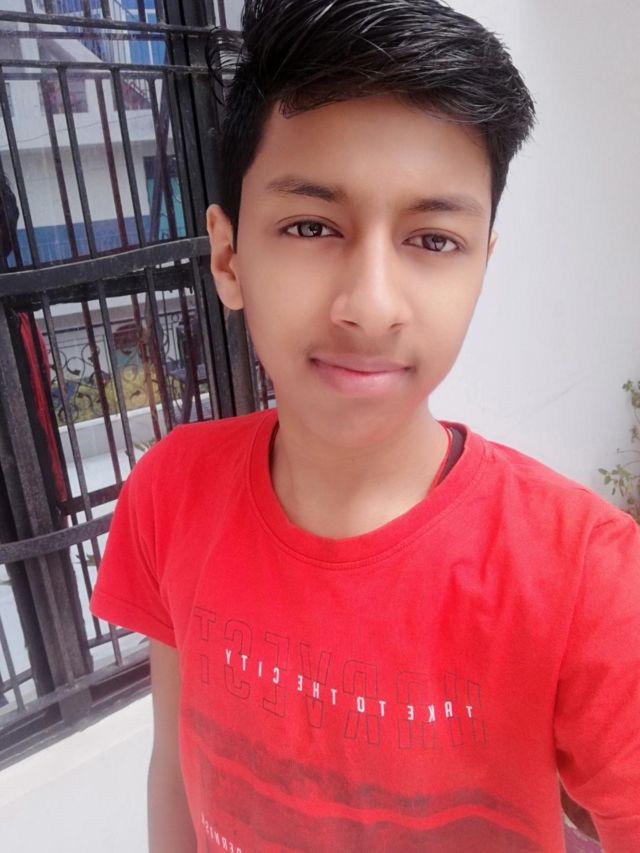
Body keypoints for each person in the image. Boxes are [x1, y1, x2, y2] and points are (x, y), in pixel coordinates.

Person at [90, 1, 640, 851]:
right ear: (229, 257)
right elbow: (175, 763)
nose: (371, 306)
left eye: (433, 239)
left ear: (482, 266)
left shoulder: (586, 579)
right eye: (311, 226)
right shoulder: (172, 488)